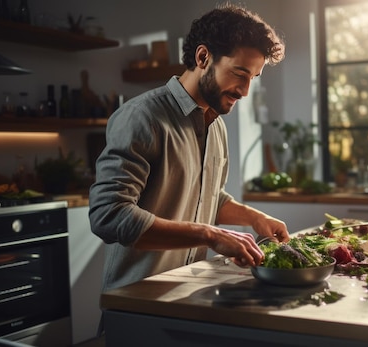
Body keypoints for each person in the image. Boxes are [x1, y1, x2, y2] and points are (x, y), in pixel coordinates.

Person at [88, 3, 289, 297]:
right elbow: (109, 215)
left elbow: (205, 196)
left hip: (188, 294)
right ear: (203, 57)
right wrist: (210, 235)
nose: (245, 91)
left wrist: (254, 218)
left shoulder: (215, 124)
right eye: (239, 74)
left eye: (252, 79)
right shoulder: (142, 117)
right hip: (137, 303)